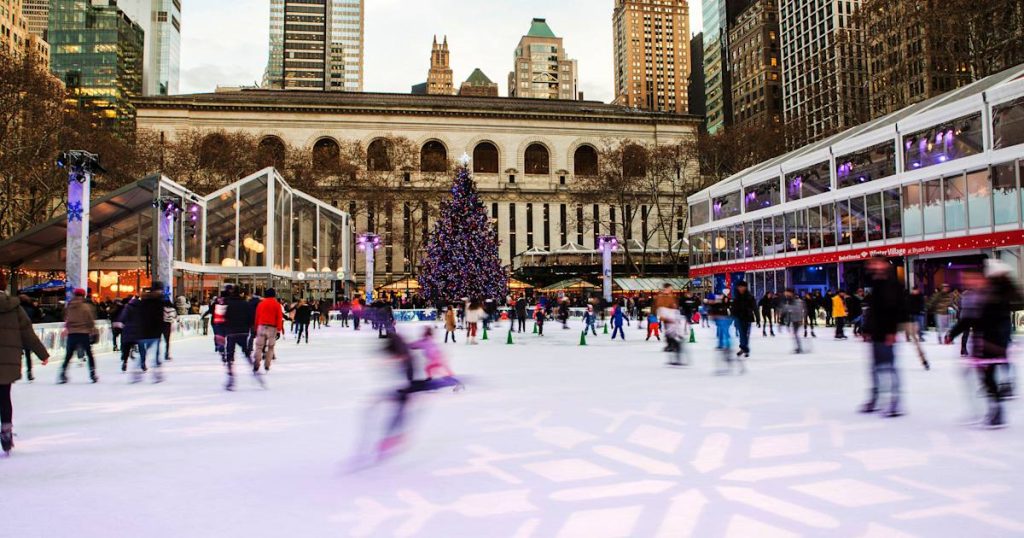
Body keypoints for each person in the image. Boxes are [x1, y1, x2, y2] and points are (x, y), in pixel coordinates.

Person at [0, 271, 50, 455]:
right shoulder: (14, 307)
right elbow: (27, 333)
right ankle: (6, 432)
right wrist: (42, 353)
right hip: (7, 360)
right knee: (4, 397)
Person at [860, 256, 908, 417]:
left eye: (877, 263)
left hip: (886, 332)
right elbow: (872, 310)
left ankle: (895, 401)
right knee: (875, 368)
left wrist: (892, 332)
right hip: (875, 332)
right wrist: (866, 329)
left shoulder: (893, 284)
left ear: (885, 265)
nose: (874, 266)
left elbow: (896, 310)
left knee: (889, 367)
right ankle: (875, 397)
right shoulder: (876, 283)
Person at [222, 286, 258, 390]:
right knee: (246, 352)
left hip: (231, 332)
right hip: (243, 332)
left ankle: (231, 376)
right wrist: (249, 327)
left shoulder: (229, 304)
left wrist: (226, 328)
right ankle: (254, 370)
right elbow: (251, 317)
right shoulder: (245, 304)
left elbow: (225, 317)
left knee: (230, 353)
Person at [59, 288, 99, 384]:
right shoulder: (86, 307)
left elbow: (66, 318)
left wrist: (67, 328)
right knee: (89, 354)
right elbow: (90, 320)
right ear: (84, 295)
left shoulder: (69, 306)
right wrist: (93, 330)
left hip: (72, 333)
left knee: (68, 355)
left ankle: (63, 372)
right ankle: (92, 373)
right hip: (83, 333)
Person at [132, 283, 167, 383]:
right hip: (148, 331)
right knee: (147, 354)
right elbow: (156, 317)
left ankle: (155, 375)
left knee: (151, 354)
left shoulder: (150, 301)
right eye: (160, 290)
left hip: (151, 332)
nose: (161, 292)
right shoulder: (154, 302)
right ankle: (142, 374)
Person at [252, 288, 284, 374]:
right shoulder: (277, 304)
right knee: (270, 347)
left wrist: (255, 328)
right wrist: (279, 329)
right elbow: (279, 317)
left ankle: (256, 363)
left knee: (259, 346)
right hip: (272, 328)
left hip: (261, 326)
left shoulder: (261, 304)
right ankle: (267, 364)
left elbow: (257, 316)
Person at [730, 282, 756, 358]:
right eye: (739, 287)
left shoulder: (750, 296)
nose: (741, 289)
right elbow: (733, 308)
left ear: (745, 287)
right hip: (739, 318)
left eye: (742, 287)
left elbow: (755, 307)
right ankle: (744, 348)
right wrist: (731, 317)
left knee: (746, 334)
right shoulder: (736, 297)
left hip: (748, 317)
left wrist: (757, 318)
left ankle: (744, 348)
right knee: (742, 334)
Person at [18, 295, 41, 381]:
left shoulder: (16, 309)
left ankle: (18, 371)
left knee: (17, 354)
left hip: (17, 333)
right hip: (27, 333)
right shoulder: (31, 310)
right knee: (28, 354)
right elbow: (38, 317)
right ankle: (29, 372)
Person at [780, 289, 806, 354]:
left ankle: (799, 348)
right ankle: (799, 347)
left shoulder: (796, 300)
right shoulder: (789, 300)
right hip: (794, 319)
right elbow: (786, 310)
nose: (786, 295)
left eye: (787, 293)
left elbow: (798, 309)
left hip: (797, 319)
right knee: (795, 334)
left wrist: (801, 319)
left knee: (795, 334)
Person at [161, 296, 177, 362]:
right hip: (168, 325)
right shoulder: (173, 309)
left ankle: (157, 355)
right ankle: (166, 354)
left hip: (161, 324)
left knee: (158, 340)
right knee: (167, 341)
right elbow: (175, 317)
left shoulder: (162, 309)